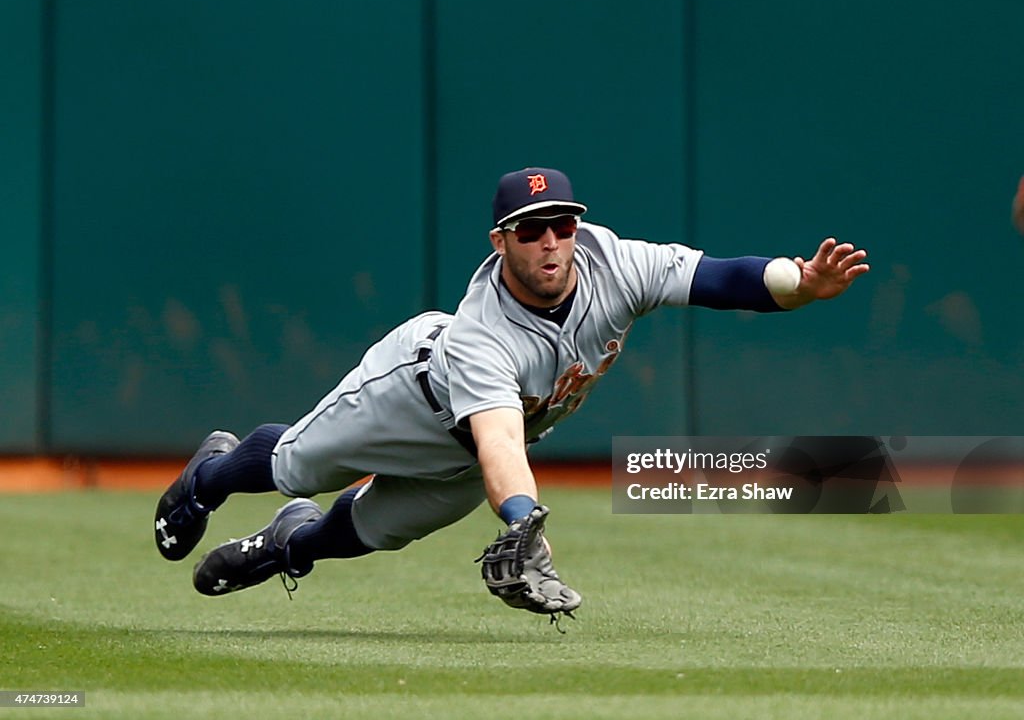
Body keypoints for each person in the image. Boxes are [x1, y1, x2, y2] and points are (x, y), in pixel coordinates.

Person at [154, 167, 869, 619]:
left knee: (375, 530)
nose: (552, 241)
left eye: (563, 223)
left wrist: (800, 284)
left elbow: (717, 278)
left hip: (477, 450)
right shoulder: (481, 334)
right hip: (411, 399)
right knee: (293, 469)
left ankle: (286, 548)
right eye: (532, 230)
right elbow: (499, 442)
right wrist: (525, 520)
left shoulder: (613, 262)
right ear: (502, 241)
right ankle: (208, 477)